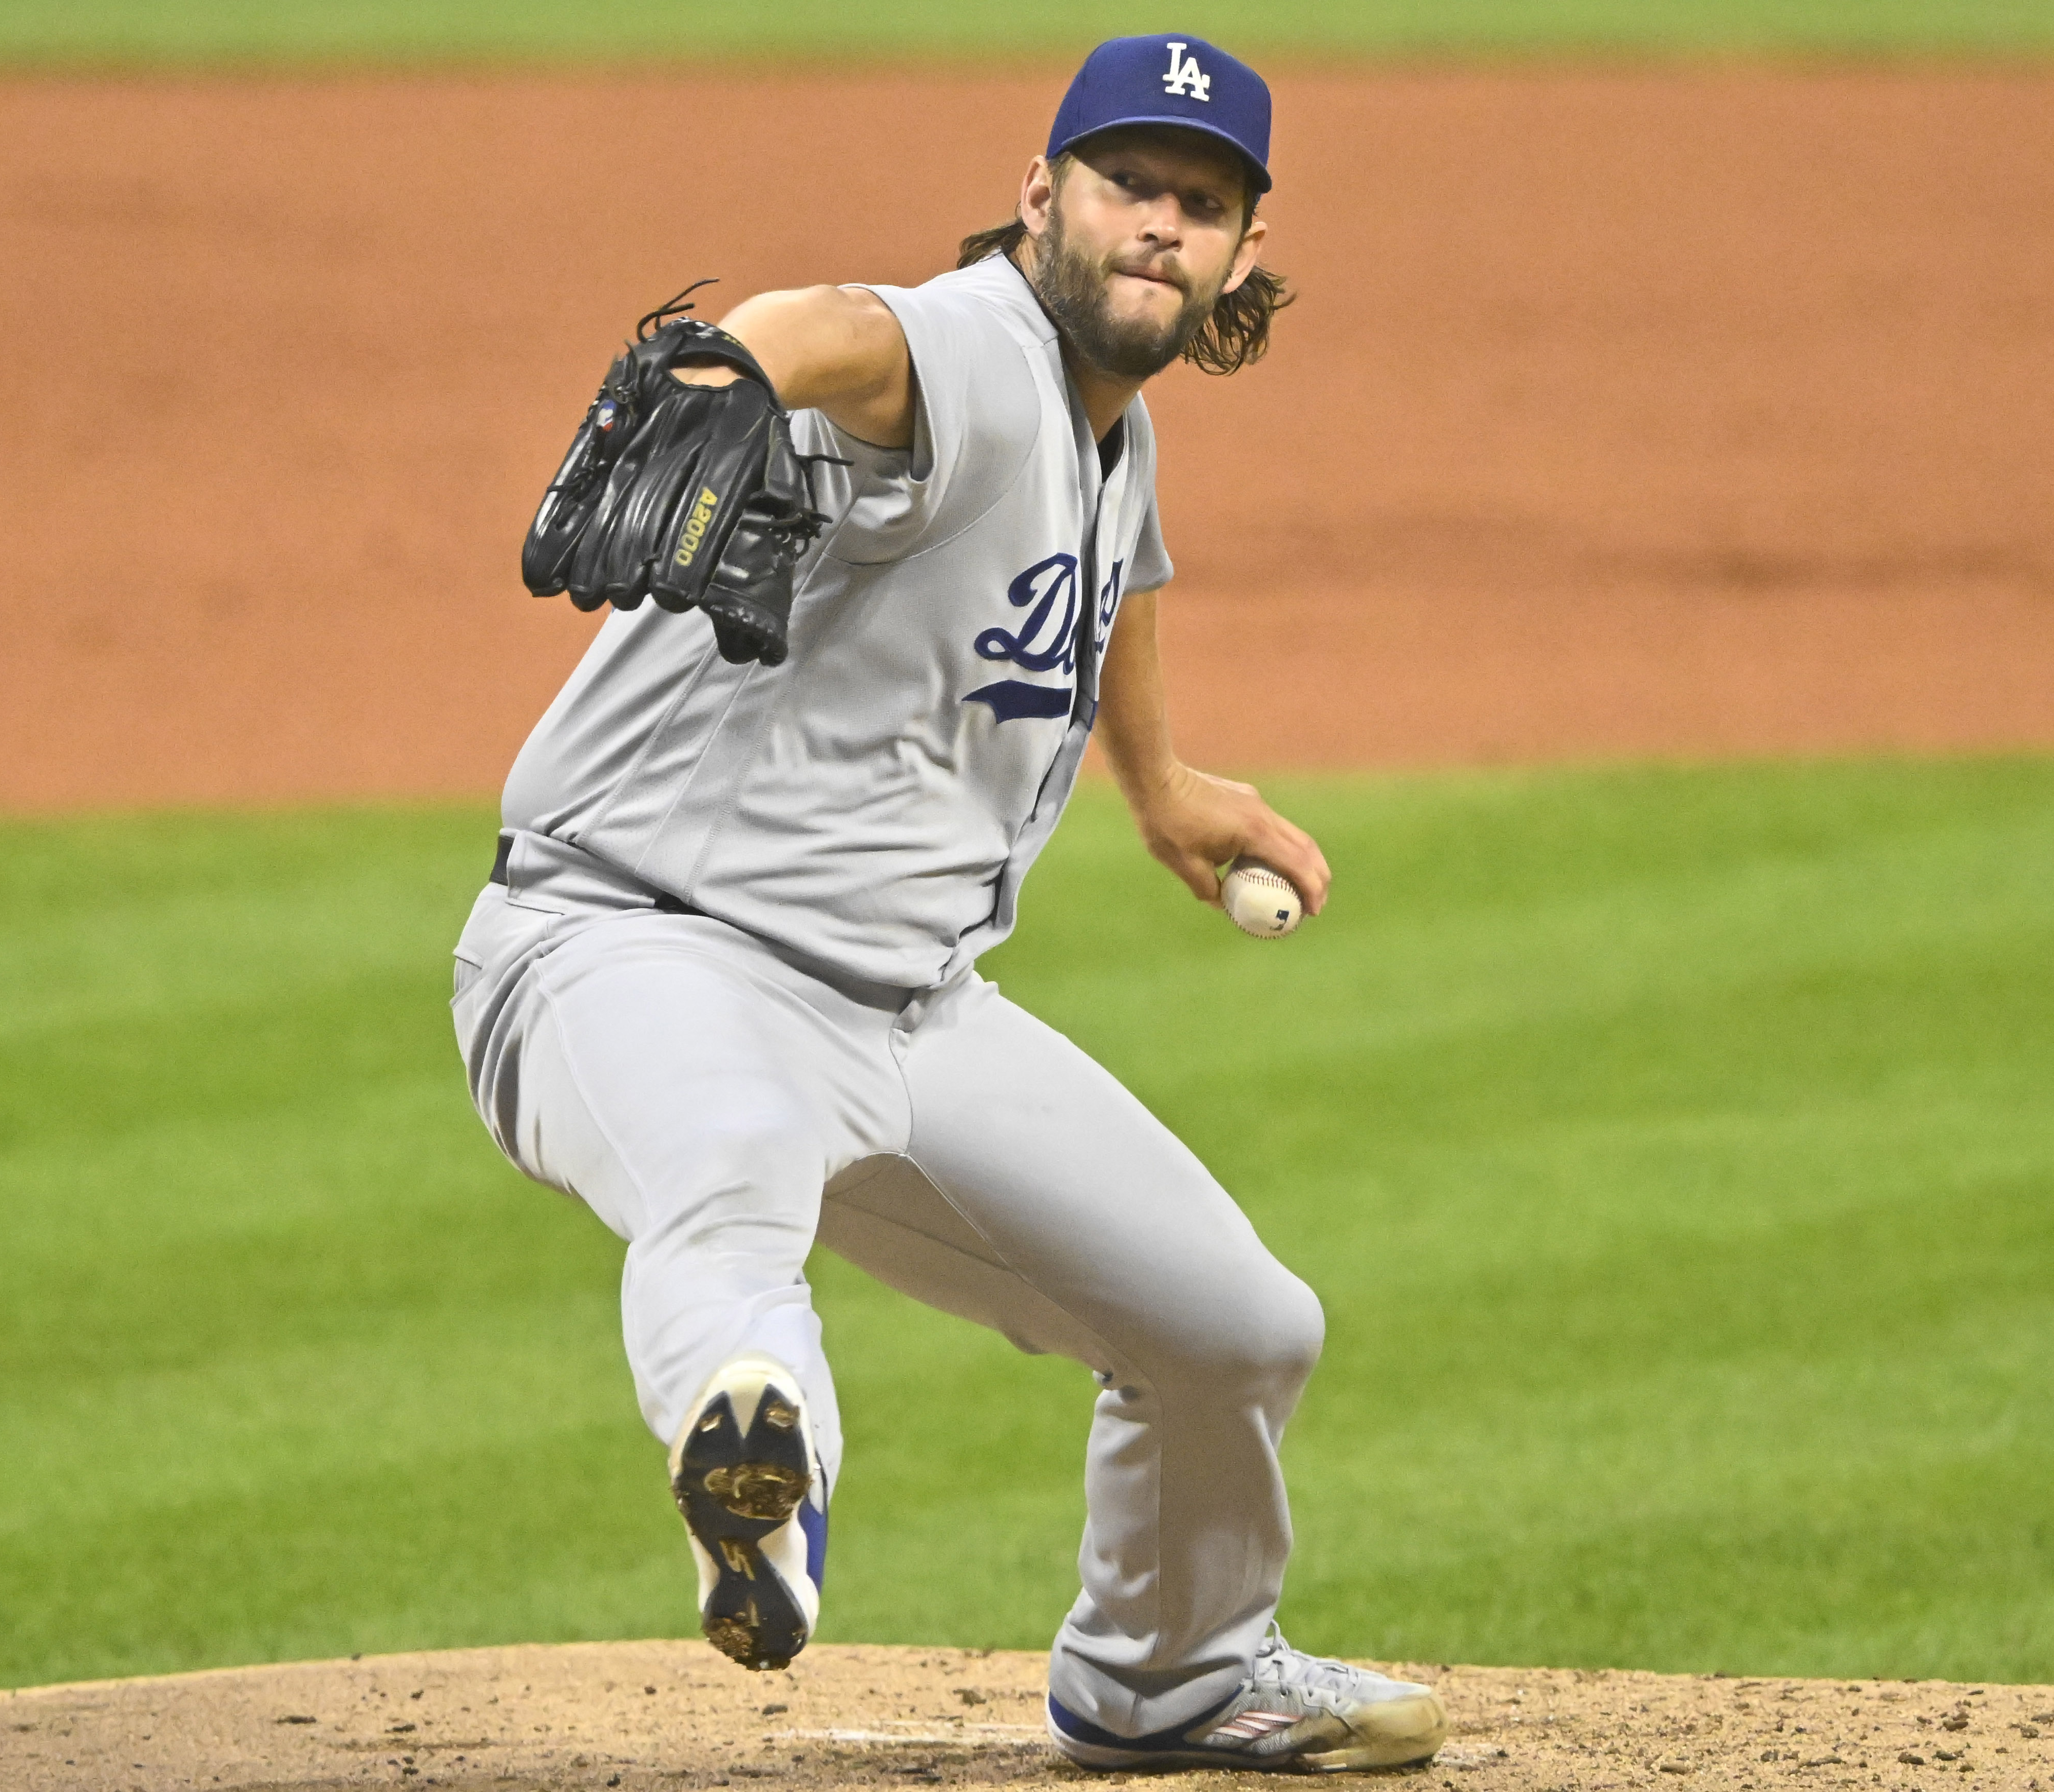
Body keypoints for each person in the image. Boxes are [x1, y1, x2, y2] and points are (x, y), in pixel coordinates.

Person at [450, 33, 1447, 1774]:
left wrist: (1159, 784)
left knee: (1233, 1331)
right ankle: (755, 1479)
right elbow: (845, 325)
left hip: (910, 1014)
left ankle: (1173, 1673)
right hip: (628, 947)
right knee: (730, 1174)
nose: (1159, 224)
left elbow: (1112, 574)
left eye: (1200, 204)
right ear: (1038, 193)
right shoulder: (979, 349)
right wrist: (730, 368)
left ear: (1237, 254)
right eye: (1128, 182)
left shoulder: (1105, 429)